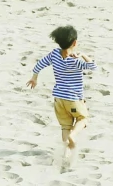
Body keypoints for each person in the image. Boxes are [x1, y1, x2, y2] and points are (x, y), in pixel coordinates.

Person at [28, 25, 95, 159]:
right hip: (73, 98)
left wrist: (34, 78)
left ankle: (66, 153)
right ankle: (73, 136)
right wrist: (83, 55)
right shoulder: (76, 60)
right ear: (75, 43)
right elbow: (92, 66)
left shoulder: (54, 54)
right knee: (83, 119)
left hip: (59, 99)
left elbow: (39, 64)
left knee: (65, 126)